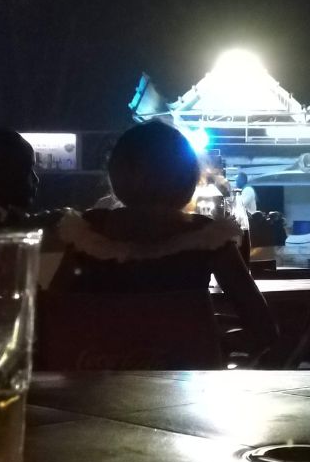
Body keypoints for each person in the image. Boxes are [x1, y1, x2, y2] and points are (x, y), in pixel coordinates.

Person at [50, 120, 277, 357]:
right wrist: (211, 341)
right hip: (186, 384)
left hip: (100, 382)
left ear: (117, 174)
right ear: (187, 177)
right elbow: (264, 330)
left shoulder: (89, 232)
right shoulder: (209, 237)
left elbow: (51, 315)